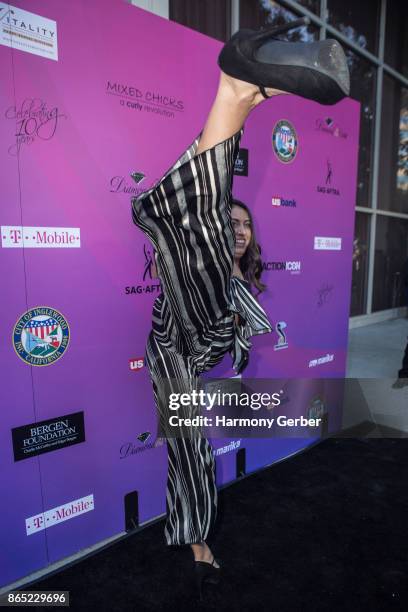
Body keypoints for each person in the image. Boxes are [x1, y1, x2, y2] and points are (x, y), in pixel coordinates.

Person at [130, 17, 349, 598]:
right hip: (172, 347)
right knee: (194, 449)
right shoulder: (205, 259)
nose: (242, 232)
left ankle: (248, 91)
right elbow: (203, 248)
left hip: (197, 343)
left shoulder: (240, 281)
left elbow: (242, 336)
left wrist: (241, 332)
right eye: (236, 225)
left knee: (184, 451)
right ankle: (237, 89)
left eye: (247, 228)